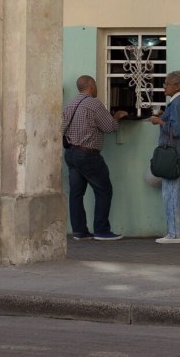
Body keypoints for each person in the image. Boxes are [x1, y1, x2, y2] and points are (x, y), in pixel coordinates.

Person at [62, 74, 127, 241]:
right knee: (104, 190)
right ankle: (102, 230)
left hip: (71, 153)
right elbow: (109, 127)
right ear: (90, 85)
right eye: (96, 85)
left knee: (76, 193)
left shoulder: (71, 104)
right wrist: (117, 117)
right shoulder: (94, 104)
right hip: (87, 154)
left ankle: (79, 231)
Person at [149, 70, 180, 243]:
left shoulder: (176, 104)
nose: (164, 87)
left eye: (167, 84)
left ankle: (174, 233)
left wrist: (158, 121)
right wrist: (164, 117)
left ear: (177, 85)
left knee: (170, 192)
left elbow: (176, 130)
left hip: (173, 154)